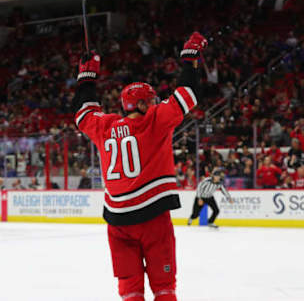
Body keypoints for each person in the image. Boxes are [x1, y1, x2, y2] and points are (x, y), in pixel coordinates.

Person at [72, 32, 207, 301]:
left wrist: (86, 77)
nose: (156, 104)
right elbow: (188, 94)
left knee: (130, 291)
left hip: (117, 221)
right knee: (164, 288)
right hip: (152, 217)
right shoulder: (154, 119)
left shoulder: (105, 125)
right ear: (144, 103)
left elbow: (82, 111)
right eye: (152, 100)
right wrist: (189, 58)